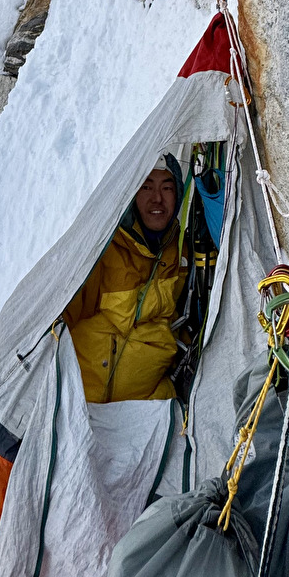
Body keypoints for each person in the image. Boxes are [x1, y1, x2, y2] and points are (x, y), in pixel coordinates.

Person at [64, 154, 187, 403]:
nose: (157, 198)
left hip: (152, 402)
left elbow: (177, 320)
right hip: (88, 405)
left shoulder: (181, 250)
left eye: (167, 188)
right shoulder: (105, 248)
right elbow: (63, 316)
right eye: (146, 187)